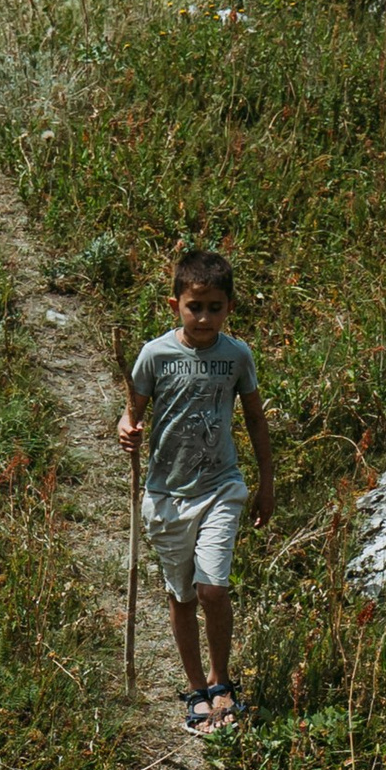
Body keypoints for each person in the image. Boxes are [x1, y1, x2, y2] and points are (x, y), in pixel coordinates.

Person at [117, 246, 275, 734]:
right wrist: (126, 427)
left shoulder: (236, 356)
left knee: (212, 587)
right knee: (182, 594)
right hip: (166, 494)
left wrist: (266, 481)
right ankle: (197, 691)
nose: (204, 317)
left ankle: (221, 679)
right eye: (195, 306)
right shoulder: (156, 355)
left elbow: (252, 417)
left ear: (230, 307)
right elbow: (133, 411)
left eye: (215, 307)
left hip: (221, 487)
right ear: (175, 306)